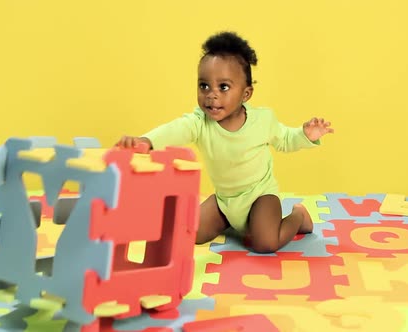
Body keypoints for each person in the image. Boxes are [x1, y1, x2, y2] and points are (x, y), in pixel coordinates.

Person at [115, 31, 334, 253]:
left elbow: (286, 140)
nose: (212, 95)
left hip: (260, 196)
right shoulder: (200, 122)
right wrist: (147, 141)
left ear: (246, 94)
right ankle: (231, 221)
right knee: (192, 234)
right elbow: (175, 130)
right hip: (225, 201)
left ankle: (298, 216)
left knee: (265, 243)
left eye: (224, 87)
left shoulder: (262, 120)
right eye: (204, 86)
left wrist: (307, 135)